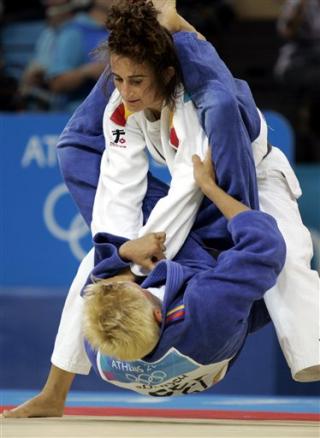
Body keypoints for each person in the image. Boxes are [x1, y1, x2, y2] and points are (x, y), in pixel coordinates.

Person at [3, 0, 319, 419]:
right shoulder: (120, 108)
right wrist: (118, 253)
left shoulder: (197, 105)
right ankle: (53, 394)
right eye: (117, 79)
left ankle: (311, 358)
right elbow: (119, 184)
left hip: (250, 175)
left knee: (290, 253)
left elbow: (191, 188)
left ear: (167, 75)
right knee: (93, 268)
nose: (126, 91)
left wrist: (144, 247)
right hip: (192, 186)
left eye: (136, 80)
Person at [80, 148, 286, 396]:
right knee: (223, 133)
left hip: (206, 345)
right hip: (219, 315)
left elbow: (102, 287)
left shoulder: (101, 351)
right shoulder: (205, 306)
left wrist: (124, 254)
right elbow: (265, 246)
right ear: (159, 314)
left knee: (82, 164)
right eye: (135, 285)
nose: (128, 279)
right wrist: (209, 187)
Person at [274, 0, 320, 161]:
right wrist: (300, 9)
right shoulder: (296, 4)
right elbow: (287, 32)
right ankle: (300, 136)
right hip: (295, 64)